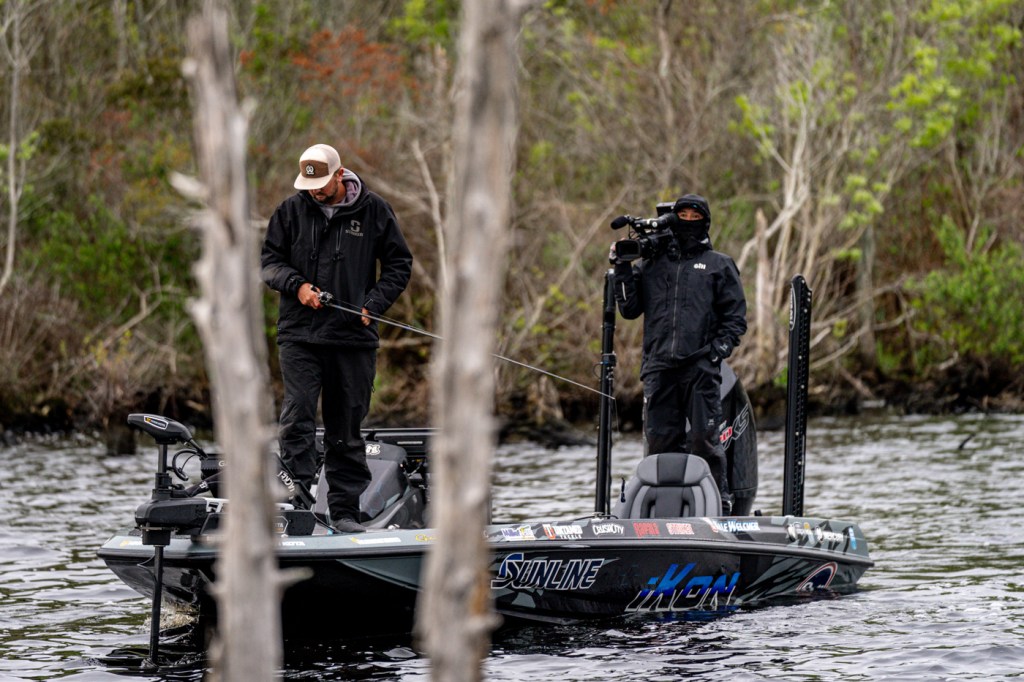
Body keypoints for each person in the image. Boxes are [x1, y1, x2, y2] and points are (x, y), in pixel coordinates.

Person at [261, 144, 412, 532]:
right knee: (297, 415)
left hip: (353, 339)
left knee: (346, 427)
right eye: (308, 185)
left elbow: (399, 264)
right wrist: (297, 286)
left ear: (340, 174)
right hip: (300, 335)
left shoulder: (375, 211)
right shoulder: (289, 212)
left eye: (321, 184)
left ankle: (344, 513)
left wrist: (373, 305)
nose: (315, 191)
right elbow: (270, 263)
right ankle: (295, 505)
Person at [610, 194, 747, 513]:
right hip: (658, 368)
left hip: (700, 369)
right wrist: (622, 267)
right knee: (659, 442)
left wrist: (716, 352)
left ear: (705, 222)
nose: (687, 221)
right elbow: (629, 309)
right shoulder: (652, 265)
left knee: (704, 441)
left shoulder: (718, 264)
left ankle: (719, 506)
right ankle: (661, 509)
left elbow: (735, 318)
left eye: (694, 216)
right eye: (682, 215)